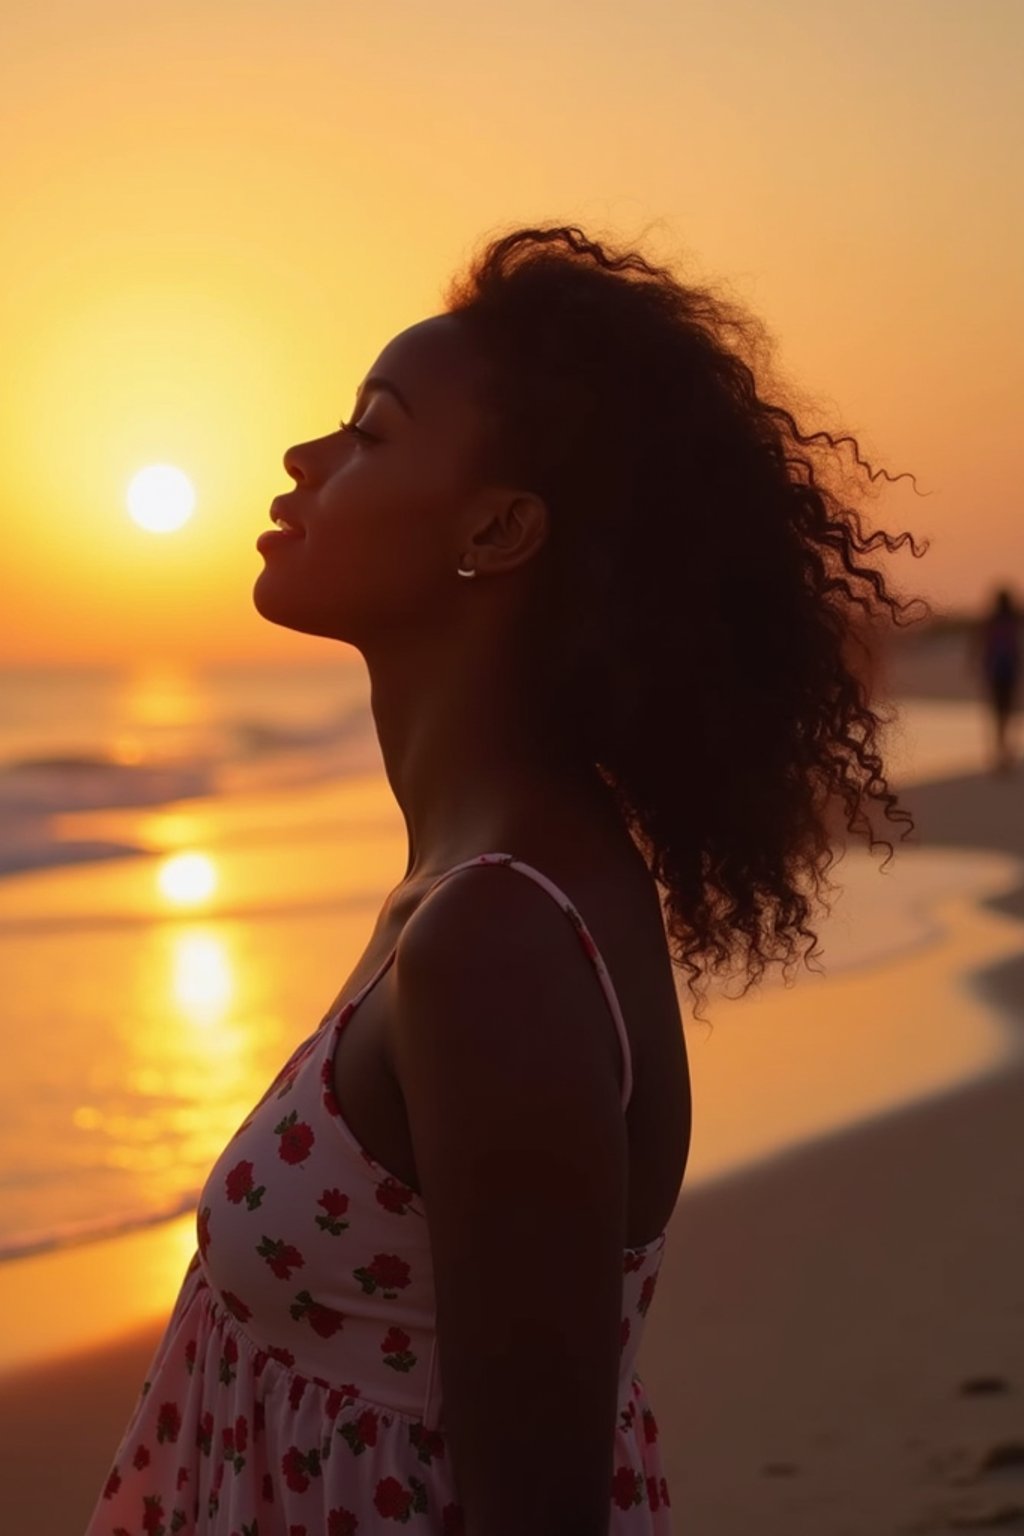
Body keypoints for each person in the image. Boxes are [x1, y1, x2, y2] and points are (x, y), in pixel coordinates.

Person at [86, 222, 928, 1535]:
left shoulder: (500, 940)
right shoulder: (469, 878)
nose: (306, 460)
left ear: (498, 527)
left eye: (370, 432)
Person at [971, 586, 1021, 772]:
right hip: (1009, 672)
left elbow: (979, 644)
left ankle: (1000, 752)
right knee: (1007, 713)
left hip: (995, 673)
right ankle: (1004, 752)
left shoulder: (991, 622)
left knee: (997, 714)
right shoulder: (1012, 622)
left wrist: (973, 664)